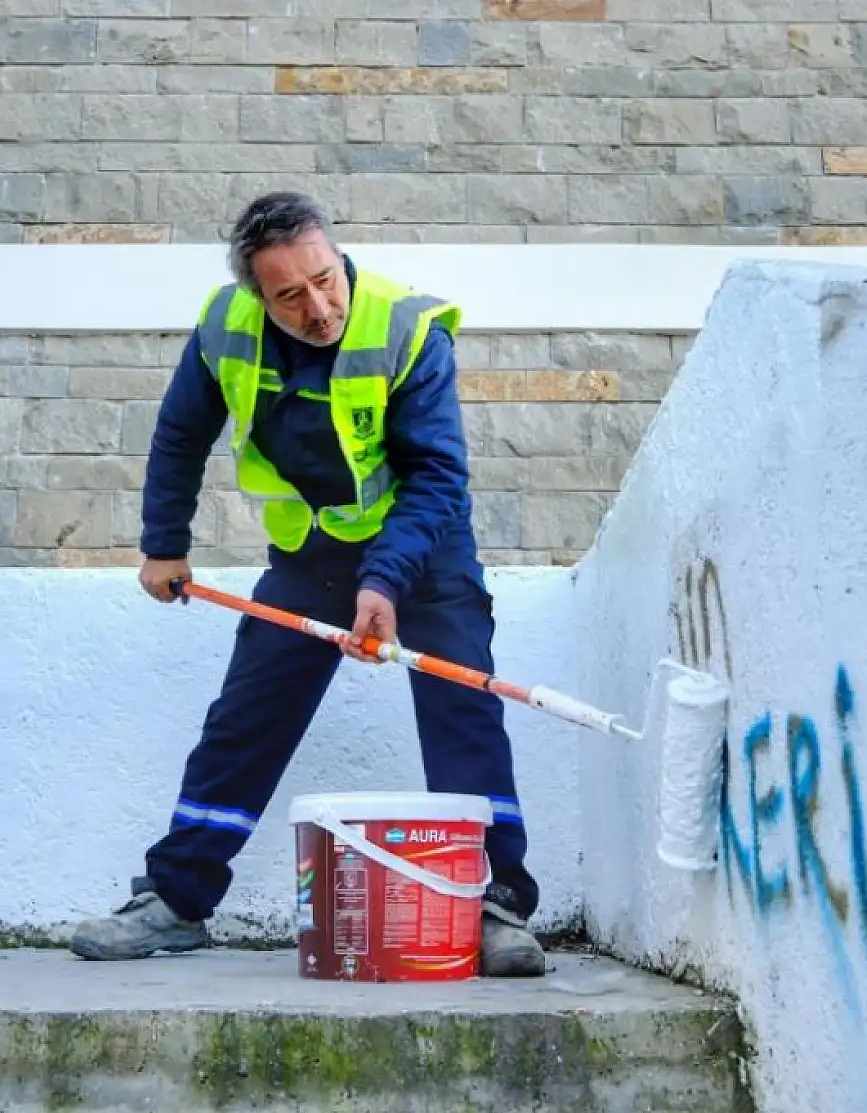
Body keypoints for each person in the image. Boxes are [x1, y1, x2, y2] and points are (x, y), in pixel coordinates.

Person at [68, 191, 546, 978]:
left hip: (423, 549)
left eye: (325, 280)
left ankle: (496, 906)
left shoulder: (407, 328)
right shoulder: (225, 327)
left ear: (338, 256)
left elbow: (437, 475)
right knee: (246, 717)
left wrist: (385, 580)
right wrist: (164, 545)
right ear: (258, 295)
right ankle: (176, 901)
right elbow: (181, 434)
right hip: (312, 553)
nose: (319, 308)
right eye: (290, 294)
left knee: (463, 709)